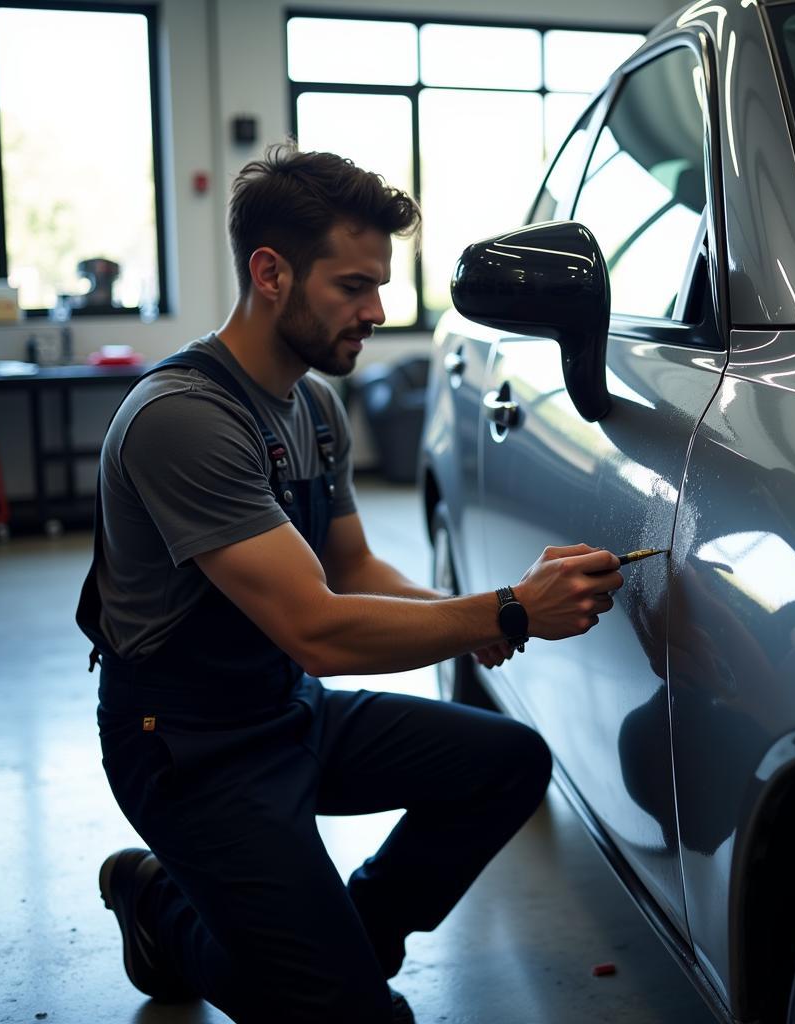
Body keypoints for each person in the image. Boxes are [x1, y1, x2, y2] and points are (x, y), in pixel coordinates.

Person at [76, 143, 624, 1024]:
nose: (376, 310)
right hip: (186, 747)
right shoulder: (184, 418)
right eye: (353, 287)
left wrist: (474, 615)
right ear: (272, 273)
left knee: (508, 763)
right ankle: (164, 910)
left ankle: (346, 952)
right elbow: (317, 629)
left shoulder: (311, 404)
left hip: (284, 710)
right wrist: (511, 610)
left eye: (380, 286)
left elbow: (353, 570)